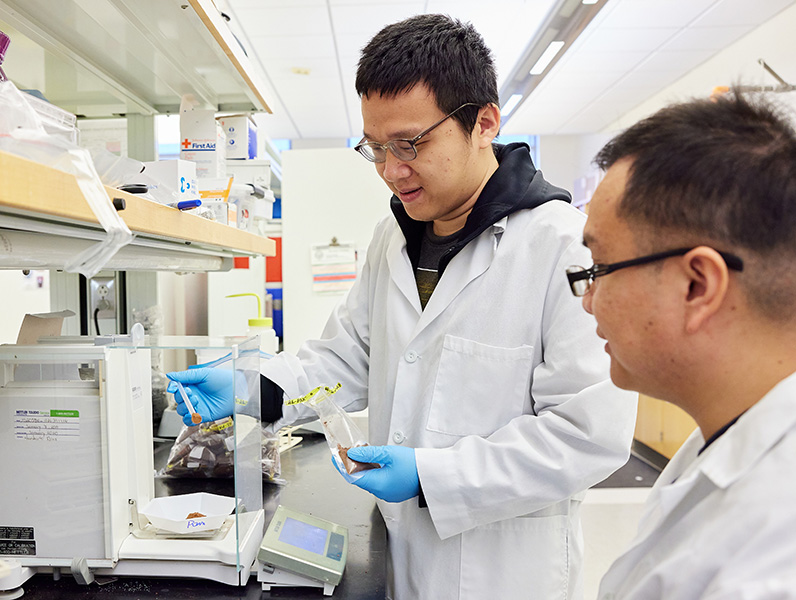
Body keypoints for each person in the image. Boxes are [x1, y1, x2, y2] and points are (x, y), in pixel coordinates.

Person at [169, 14, 637, 600]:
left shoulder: (562, 247)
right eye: (376, 148)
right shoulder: (394, 238)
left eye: (410, 144)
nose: (392, 170)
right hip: (398, 552)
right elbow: (346, 357)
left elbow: (587, 434)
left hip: (502, 573)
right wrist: (251, 388)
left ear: (484, 122)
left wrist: (430, 476)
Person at [566, 90, 796, 598]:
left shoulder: (773, 563)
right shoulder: (722, 437)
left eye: (599, 270)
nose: (588, 302)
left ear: (697, 285)